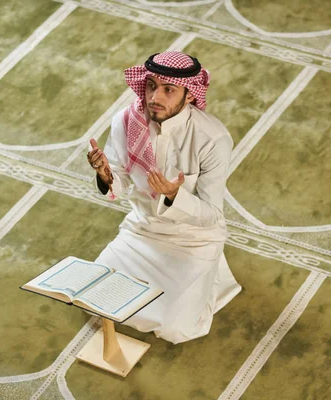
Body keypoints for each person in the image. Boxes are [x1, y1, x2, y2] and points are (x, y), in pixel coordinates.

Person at [86, 51, 241, 344]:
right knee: (94, 298)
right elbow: (118, 175)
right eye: (151, 86)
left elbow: (211, 214)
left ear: (190, 96)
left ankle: (209, 283)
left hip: (193, 240)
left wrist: (174, 196)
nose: (155, 96)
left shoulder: (212, 139)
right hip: (142, 230)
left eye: (168, 90)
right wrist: (106, 175)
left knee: (175, 330)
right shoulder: (127, 120)